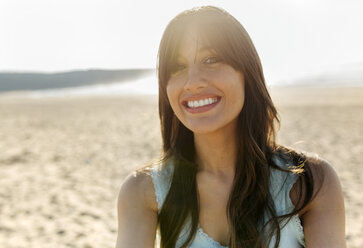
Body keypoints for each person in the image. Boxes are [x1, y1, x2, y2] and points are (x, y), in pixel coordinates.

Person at [115, 6, 346, 248]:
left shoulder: (311, 182)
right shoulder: (143, 192)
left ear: (246, 72)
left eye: (211, 59)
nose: (193, 82)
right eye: (178, 67)